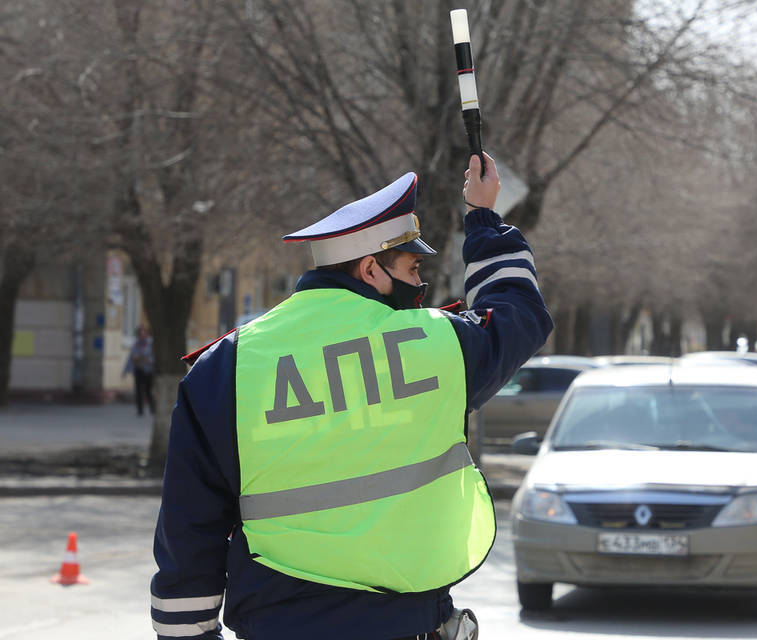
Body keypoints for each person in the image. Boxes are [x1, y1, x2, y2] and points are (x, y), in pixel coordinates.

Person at [150, 152, 553, 640]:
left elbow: (189, 528)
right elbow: (517, 314)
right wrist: (483, 218)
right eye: (410, 268)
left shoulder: (227, 366)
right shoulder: (433, 345)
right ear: (369, 270)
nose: (420, 285)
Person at [123, 325, 154, 416]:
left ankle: (152, 409)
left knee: (148, 391)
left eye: (144, 334)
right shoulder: (136, 344)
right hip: (139, 370)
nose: (142, 336)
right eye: (140, 334)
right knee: (138, 391)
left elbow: (153, 358)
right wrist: (125, 371)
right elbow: (131, 357)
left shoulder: (150, 344)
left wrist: (146, 359)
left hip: (148, 370)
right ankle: (140, 410)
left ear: (147, 334)